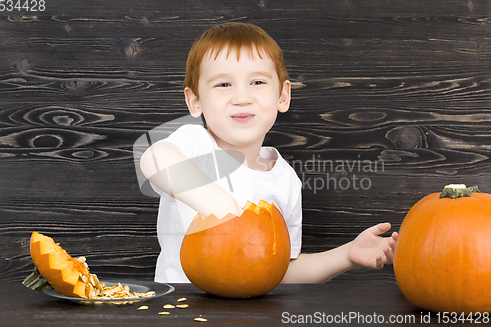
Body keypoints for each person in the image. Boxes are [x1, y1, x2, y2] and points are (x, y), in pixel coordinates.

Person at [140, 22, 398, 284]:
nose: (242, 97)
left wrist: (348, 256)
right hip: (179, 311)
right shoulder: (196, 144)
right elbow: (156, 158)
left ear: (282, 96)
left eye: (257, 82)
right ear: (195, 101)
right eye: (224, 84)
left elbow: (280, 270)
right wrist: (220, 208)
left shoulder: (285, 180)